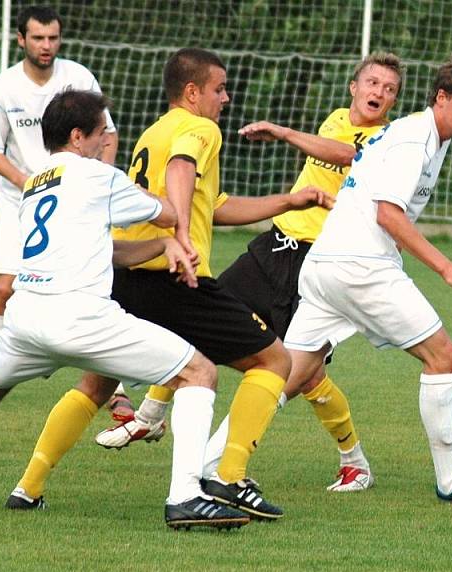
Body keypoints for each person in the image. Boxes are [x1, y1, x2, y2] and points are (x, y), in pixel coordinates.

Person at [80, 48, 330, 521]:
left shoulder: (153, 131)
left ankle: (27, 486)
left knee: (97, 381)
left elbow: (213, 207)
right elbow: (181, 169)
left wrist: (290, 202)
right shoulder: (200, 129)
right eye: (219, 88)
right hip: (176, 278)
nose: (226, 98)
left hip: (127, 274)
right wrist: (178, 235)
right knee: (274, 359)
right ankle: (226, 477)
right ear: (192, 92)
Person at [0, 89, 250, 530]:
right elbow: (166, 211)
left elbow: (101, 250)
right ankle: (185, 497)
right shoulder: (96, 176)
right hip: (80, 318)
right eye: (101, 131)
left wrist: (160, 245)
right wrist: (178, 219)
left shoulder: (35, 180)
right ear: (77, 136)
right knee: (198, 373)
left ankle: (28, 493)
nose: (108, 137)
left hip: (26, 319)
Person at [279, 56, 452, 505]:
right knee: (443, 356)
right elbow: (388, 213)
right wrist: (447, 268)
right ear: (441, 98)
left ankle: (214, 465)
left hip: (328, 263)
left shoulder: (425, 135)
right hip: (362, 266)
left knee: (285, 376)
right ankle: (450, 479)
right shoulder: (414, 139)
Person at [188, 51, 402, 493]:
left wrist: (284, 133)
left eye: (390, 89)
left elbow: (346, 155)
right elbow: (330, 149)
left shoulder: (387, 143)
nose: (379, 92)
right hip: (276, 246)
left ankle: (352, 460)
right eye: (373, 83)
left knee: (302, 374)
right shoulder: (335, 119)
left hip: (321, 262)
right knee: (200, 316)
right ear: (354, 88)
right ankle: (150, 416)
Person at [0, 6, 118, 352]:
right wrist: (30, 183)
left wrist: (98, 182)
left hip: (76, 203)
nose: (46, 45)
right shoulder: (3, 87)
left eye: (53, 38)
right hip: (20, 201)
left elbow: (108, 135)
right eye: (38, 38)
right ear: (21, 39)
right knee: (4, 288)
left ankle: (114, 386)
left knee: (93, 287)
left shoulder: (78, 78)